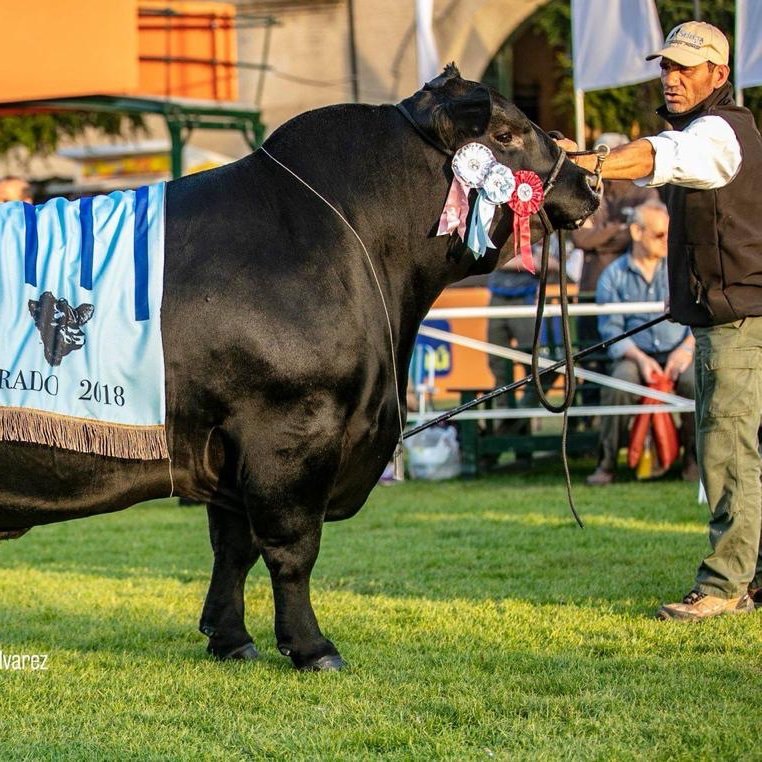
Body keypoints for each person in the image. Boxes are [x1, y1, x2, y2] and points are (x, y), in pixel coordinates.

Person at [561, 21, 761, 620]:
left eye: (685, 68)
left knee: (727, 452)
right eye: (667, 66)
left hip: (738, 324)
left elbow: (659, 154)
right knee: (748, 452)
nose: (671, 78)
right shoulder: (725, 130)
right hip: (741, 313)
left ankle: (724, 585)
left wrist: (587, 160)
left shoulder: (718, 133)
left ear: (718, 76)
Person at [585, 199, 696, 486]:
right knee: (620, 386)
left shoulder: (679, 271)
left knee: (694, 383)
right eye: (660, 235)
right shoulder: (613, 276)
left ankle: (694, 462)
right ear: (636, 232)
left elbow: (697, 319)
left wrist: (685, 350)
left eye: (669, 236)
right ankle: (606, 464)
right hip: (634, 356)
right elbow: (612, 332)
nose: (666, 243)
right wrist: (641, 359)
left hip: (679, 353)